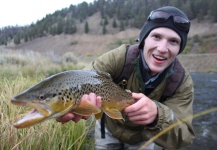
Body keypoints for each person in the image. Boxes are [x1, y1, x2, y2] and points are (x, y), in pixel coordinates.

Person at [56, 6, 195, 150]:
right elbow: (82, 78)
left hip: (145, 137)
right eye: (156, 37)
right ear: (144, 39)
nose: (162, 48)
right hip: (108, 129)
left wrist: (157, 116)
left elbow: (184, 136)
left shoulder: (181, 82)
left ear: (179, 48)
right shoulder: (119, 57)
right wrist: (67, 106)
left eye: (173, 41)